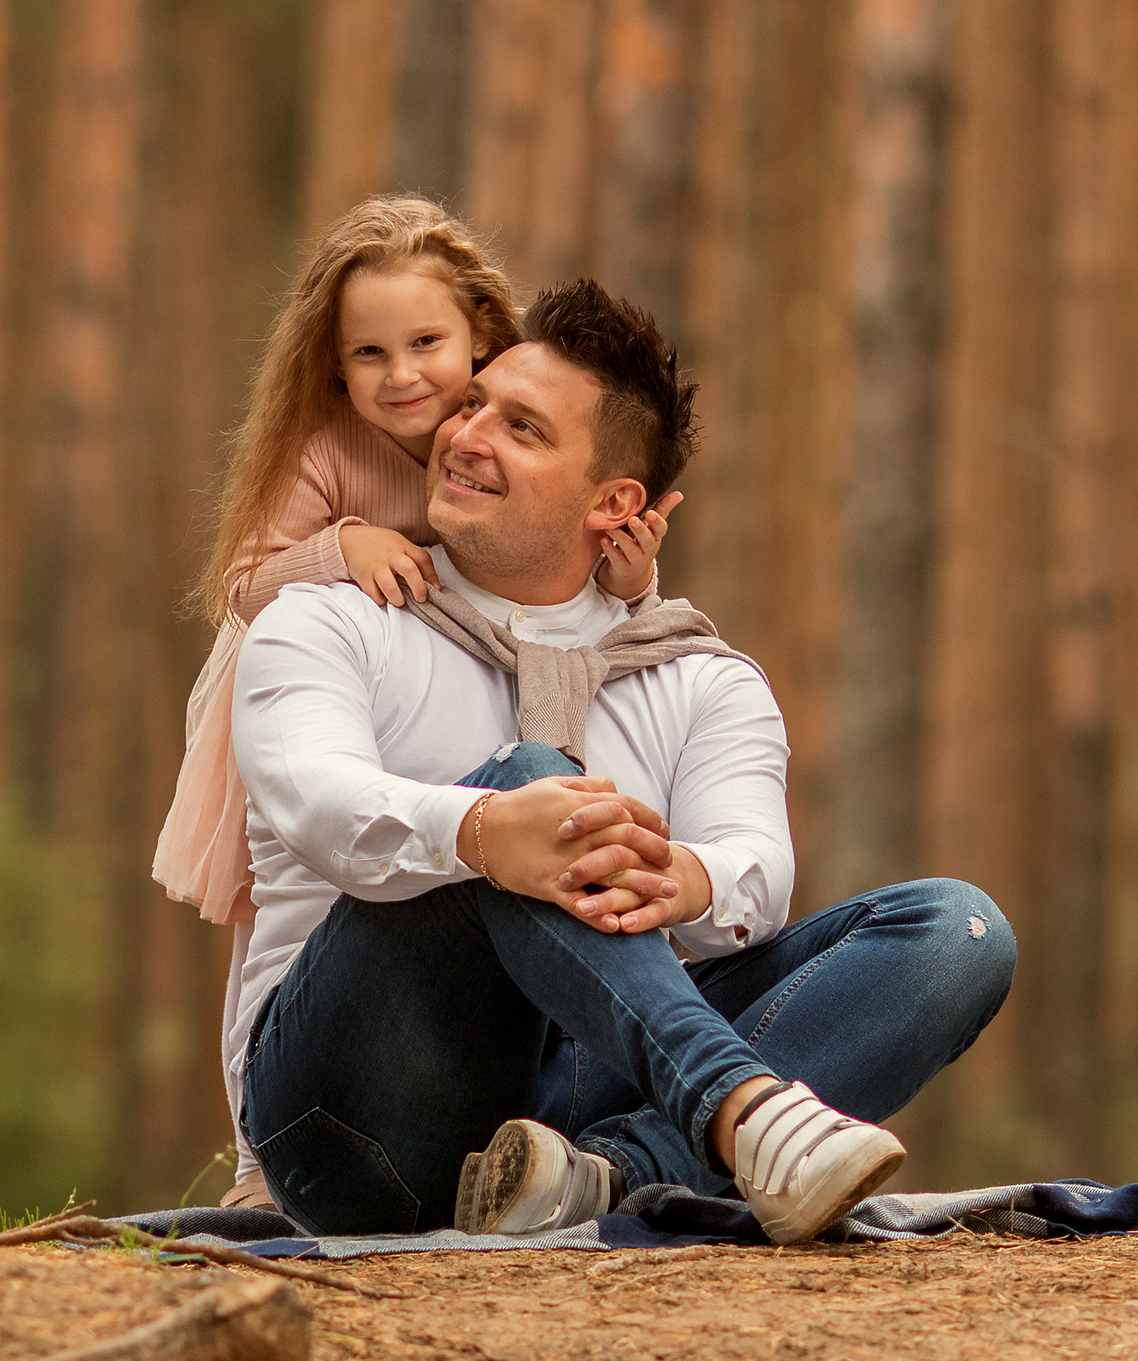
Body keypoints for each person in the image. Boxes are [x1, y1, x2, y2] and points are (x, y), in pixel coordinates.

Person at [229, 279, 1016, 1242]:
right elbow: (314, 800)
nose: (464, 433)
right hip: (355, 1115)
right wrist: (483, 827)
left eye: (521, 428)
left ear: (617, 503)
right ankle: (743, 1116)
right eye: (473, 402)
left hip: (574, 1101)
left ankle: (606, 1178)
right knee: (529, 784)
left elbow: (753, 873)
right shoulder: (331, 617)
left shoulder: (699, 678)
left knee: (957, 932)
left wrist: (683, 877)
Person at [152, 197, 679, 1202]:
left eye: (427, 343)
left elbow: (562, 578)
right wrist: (340, 548)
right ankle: (261, 1163)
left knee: (461, 863)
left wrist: (630, 582)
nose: (401, 377)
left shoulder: (512, 442)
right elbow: (245, 580)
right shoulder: (328, 453)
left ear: (485, 333)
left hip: (437, 696)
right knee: (287, 911)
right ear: (333, 366)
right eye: (368, 354)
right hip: (295, 698)